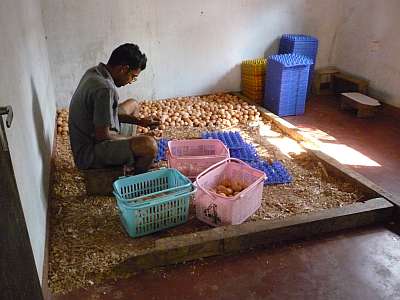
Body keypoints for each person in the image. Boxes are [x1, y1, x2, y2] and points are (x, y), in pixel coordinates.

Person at [68, 43, 159, 174]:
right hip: (89, 153)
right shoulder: (105, 89)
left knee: (133, 104)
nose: (129, 81)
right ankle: (134, 178)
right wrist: (135, 139)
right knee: (149, 145)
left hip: (91, 136)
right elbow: (103, 136)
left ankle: (131, 155)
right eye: (132, 77)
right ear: (123, 69)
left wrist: (140, 121)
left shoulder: (95, 72)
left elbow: (107, 114)